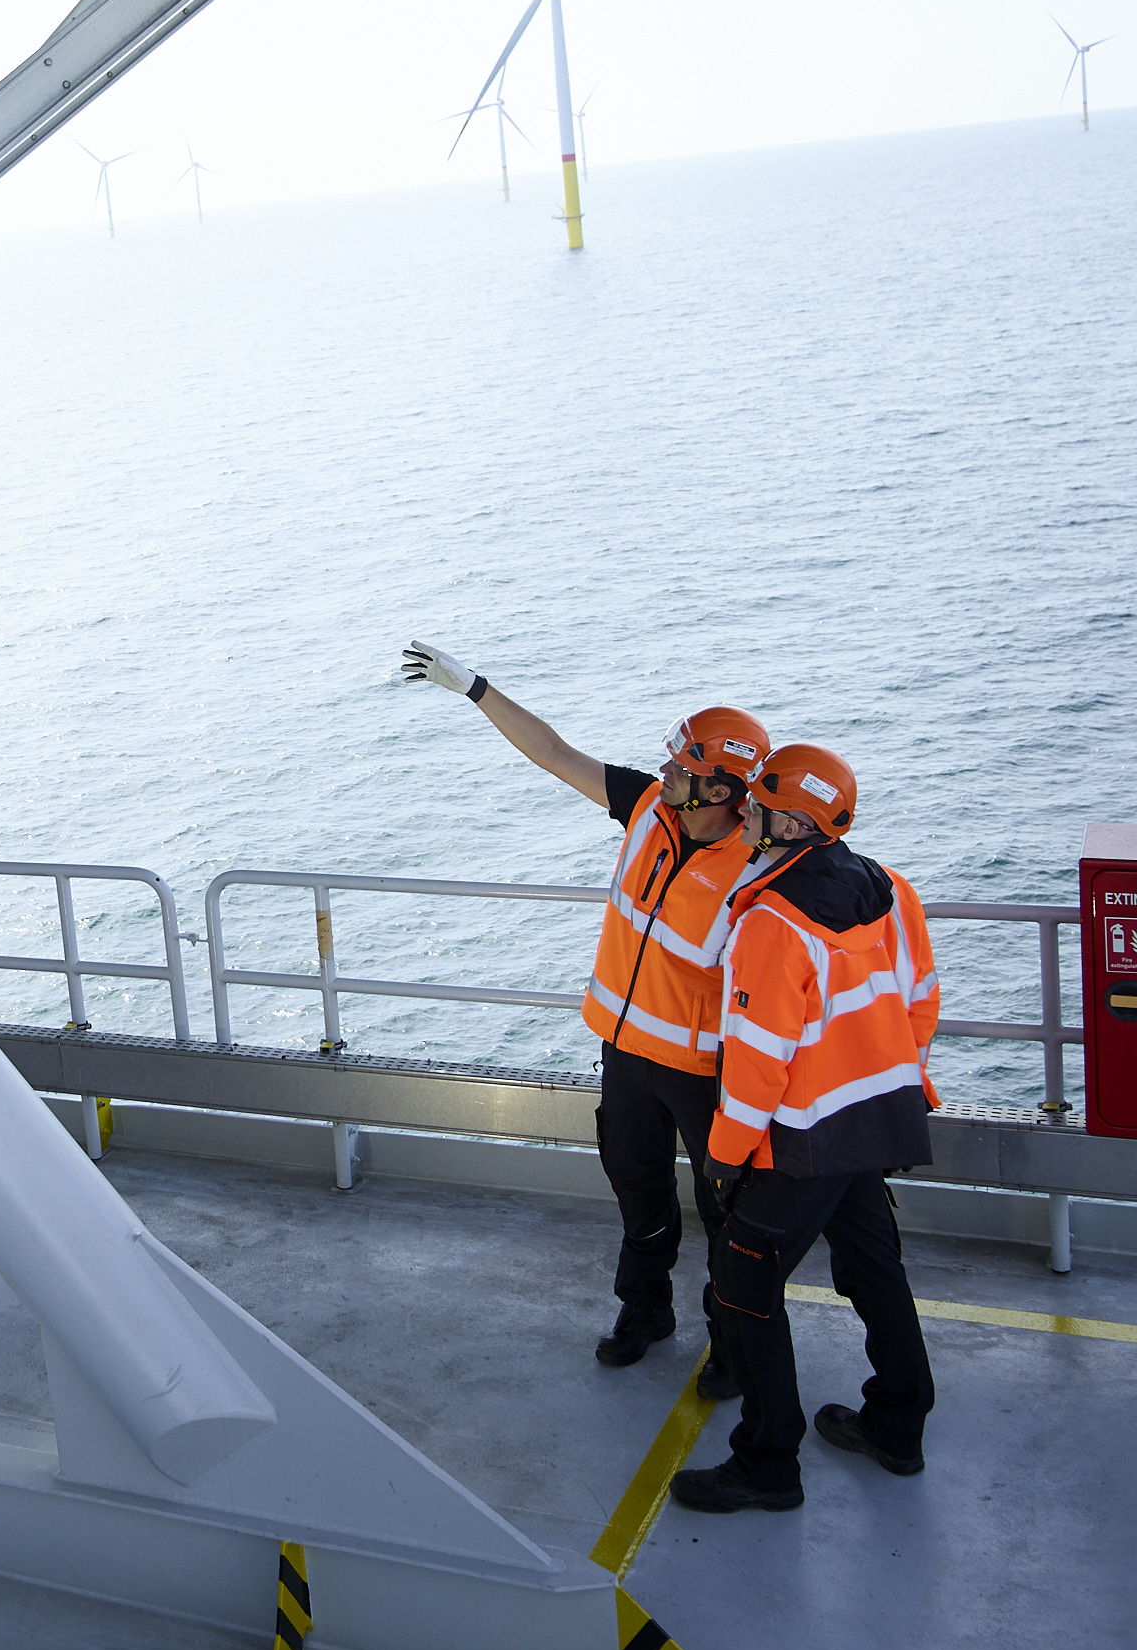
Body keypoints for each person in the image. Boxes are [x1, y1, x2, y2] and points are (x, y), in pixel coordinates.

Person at [400, 643, 771, 1380]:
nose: (663, 773)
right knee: (637, 1188)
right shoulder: (643, 808)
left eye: (680, 769)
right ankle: (645, 1308)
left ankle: (733, 1341)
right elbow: (551, 751)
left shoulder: (759, 869)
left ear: (722, 789)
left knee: (727, 1210)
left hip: (706, 1072)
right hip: (627, 1055)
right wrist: (474, 688)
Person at [670, 742, 941, 1516]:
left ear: (789, 822)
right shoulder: (891, 888)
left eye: (754, 803)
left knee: (741, 1283)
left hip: (801, 1138)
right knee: (872, 1266)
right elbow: (920, 1000)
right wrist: (886, 1078)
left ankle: (766, 1461)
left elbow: (756, 1064)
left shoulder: (772, 925)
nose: (742, 810)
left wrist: (722, 1159)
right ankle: (898, 1423)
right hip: (876, 1116)